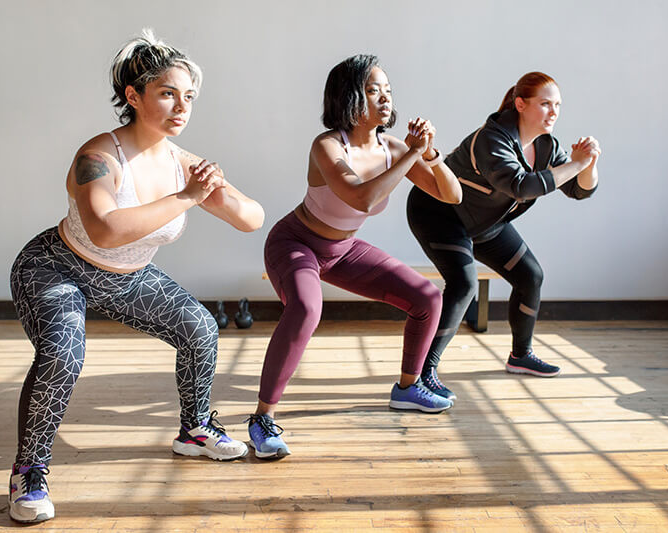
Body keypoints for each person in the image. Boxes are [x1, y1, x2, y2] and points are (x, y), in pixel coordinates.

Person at [7, 30, 264, 523]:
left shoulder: (182, 164)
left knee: (200, 328)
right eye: (167, 93)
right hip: (55, 267)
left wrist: (216, 190)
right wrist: (188, 197)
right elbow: (104, 230)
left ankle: (194, 430)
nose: (181, 107)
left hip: (127, 276)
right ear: (133, 96)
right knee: (63, 352)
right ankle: (29, 471)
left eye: (188, 96)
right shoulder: (98, 157)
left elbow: (251, 218)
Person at [246, 54, 463, 459]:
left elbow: (453, 195)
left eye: (388, 90)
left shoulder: (393, 147)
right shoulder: (328, 145)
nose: (385, 98)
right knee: (307, 310)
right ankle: (262, 418)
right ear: (349, 97)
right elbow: (362, 197)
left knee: (427, 297)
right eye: (372, 90)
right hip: (296, 243)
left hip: (343, 249)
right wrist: (411, 154)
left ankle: (408, 387)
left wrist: (429, 153)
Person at [406, 71, 601, 399]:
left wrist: (589, 163)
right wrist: (576, 164)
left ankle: (520, 356)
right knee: (464, 284)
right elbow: (521, 187)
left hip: (485, 221)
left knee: (531, 276)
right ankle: (423, 372)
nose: (553, 112)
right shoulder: (491, 138)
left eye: (557, 105)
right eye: (545, 104)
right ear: (521, 104)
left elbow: (579, 192)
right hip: (439, 214)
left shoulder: (546, 145)